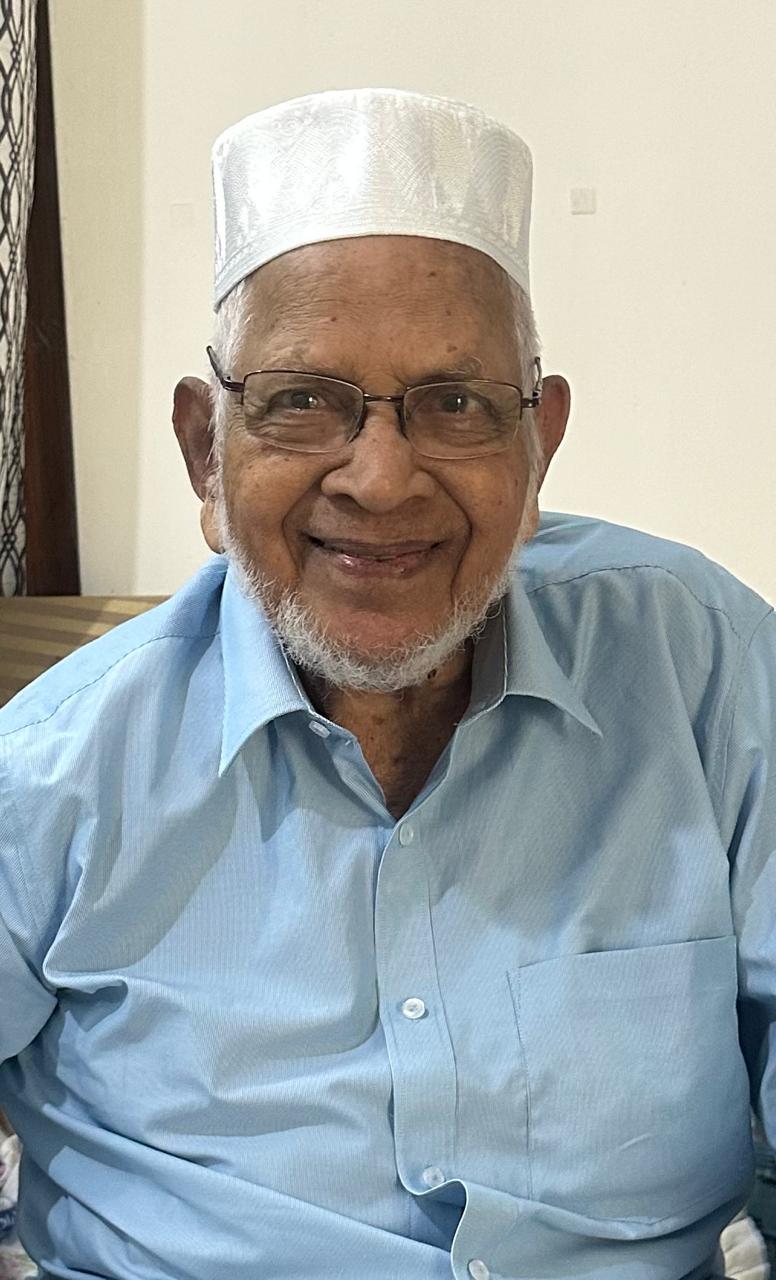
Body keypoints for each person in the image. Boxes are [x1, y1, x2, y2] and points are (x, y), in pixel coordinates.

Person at [0, 87, 773, 1280]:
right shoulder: (52, 773)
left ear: (538, 445)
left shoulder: (701, 664)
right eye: (301, 400)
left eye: (453, 404)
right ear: (205, 448)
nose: (378, 477)